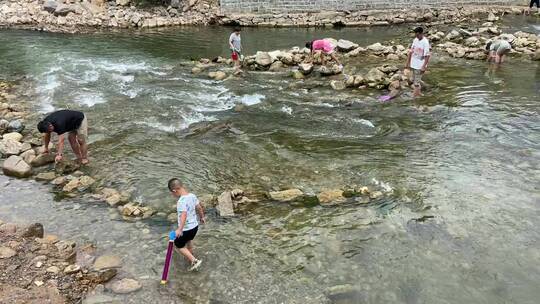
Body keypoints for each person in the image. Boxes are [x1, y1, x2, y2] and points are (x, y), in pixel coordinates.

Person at [168, 178, 205, 271]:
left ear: (174, 190)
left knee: (178, 244)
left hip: (186, 229)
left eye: (172, 193)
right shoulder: (192, 196)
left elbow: (183, 214)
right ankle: (190, 256)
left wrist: (179, 229)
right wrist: (202, 217)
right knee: (188, 241)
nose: (173, 195)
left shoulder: (181, 201)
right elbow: (199, 207)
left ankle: (194, 260)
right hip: (195, 227)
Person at [405, 27, 431, 98]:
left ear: (421, 33)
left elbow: (427, 55)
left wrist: (424, 66)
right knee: (414, 80)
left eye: (418, 35)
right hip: (413, 64)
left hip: (420, 66)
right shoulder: (415, 40)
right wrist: (407, 63)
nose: (416, 36)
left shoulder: (425, 42)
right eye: (415, 35)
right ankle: (419, 94)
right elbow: (411, 51)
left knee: (416, 83)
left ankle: (414, 98)